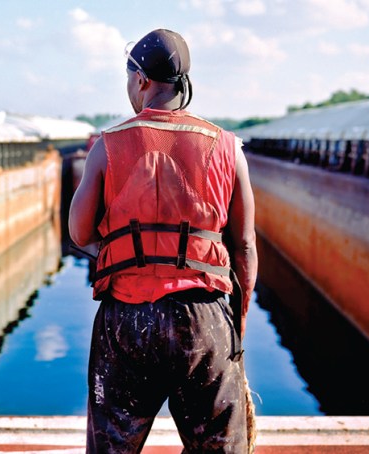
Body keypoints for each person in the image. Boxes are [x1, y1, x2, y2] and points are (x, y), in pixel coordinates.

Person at [69, 29, 258, 453]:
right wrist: (236, 326)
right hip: (205, 320)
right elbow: (244, 246)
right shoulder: (227, 146)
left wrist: (123, 256)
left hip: (127, 324)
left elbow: (79, 233)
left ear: (140, 80)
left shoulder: (108, 145)